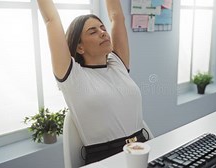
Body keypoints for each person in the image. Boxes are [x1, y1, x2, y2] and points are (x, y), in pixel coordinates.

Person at [36, 0, 149, 164]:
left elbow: (117, 17)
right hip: (106, 159)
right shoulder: (72, 76)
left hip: (142, 149)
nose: (103, 32)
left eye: (103, 28)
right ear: (80, 47)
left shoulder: (117, 64)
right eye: (93, 31)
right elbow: (51, 19)